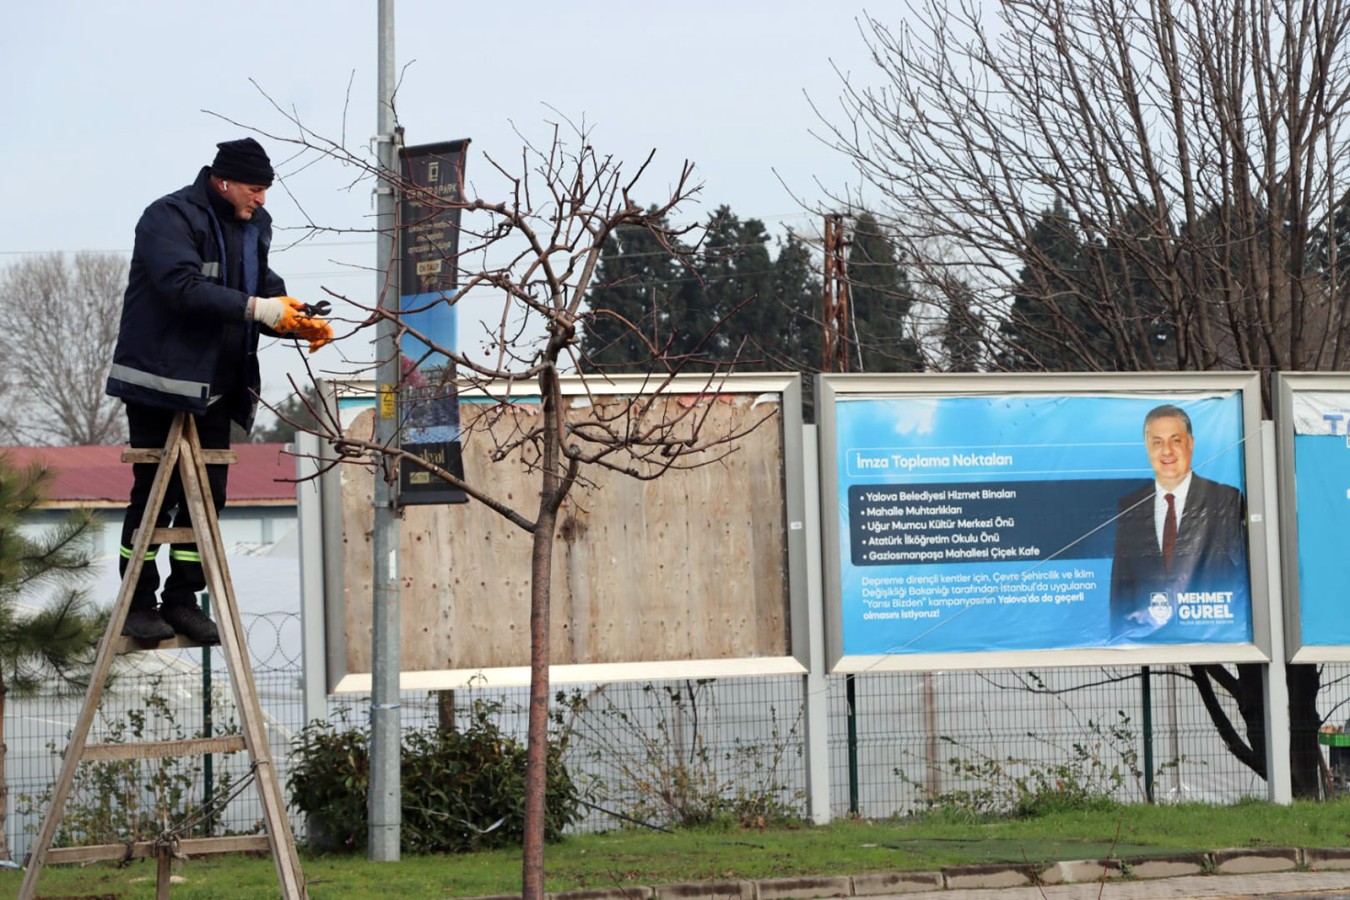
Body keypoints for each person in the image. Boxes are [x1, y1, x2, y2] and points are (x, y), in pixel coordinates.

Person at [106, 138, 332, 644]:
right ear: (223, 180)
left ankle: (183, 600)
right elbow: (181, 288)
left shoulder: (254, 225)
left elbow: (260, 288)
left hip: (218, 384)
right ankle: (137, 603)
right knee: (155, 495)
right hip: (161, 383)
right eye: (254, 189)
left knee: (207, 498)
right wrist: (259, 308)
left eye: (266, 190)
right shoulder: (168, 218)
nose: (262, 199)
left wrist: (293, 319)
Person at [1108, 404, 1248, 638]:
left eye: (1175, 441)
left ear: (1190, 443)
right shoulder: (1129, 506)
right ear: (1147, 447)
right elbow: (1120, 585)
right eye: (1157, 442)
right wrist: (1117, 641)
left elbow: (1240, 576)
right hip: (1147, 638)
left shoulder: (1225, 499)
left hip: (1209, 633)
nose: (1167, 451)